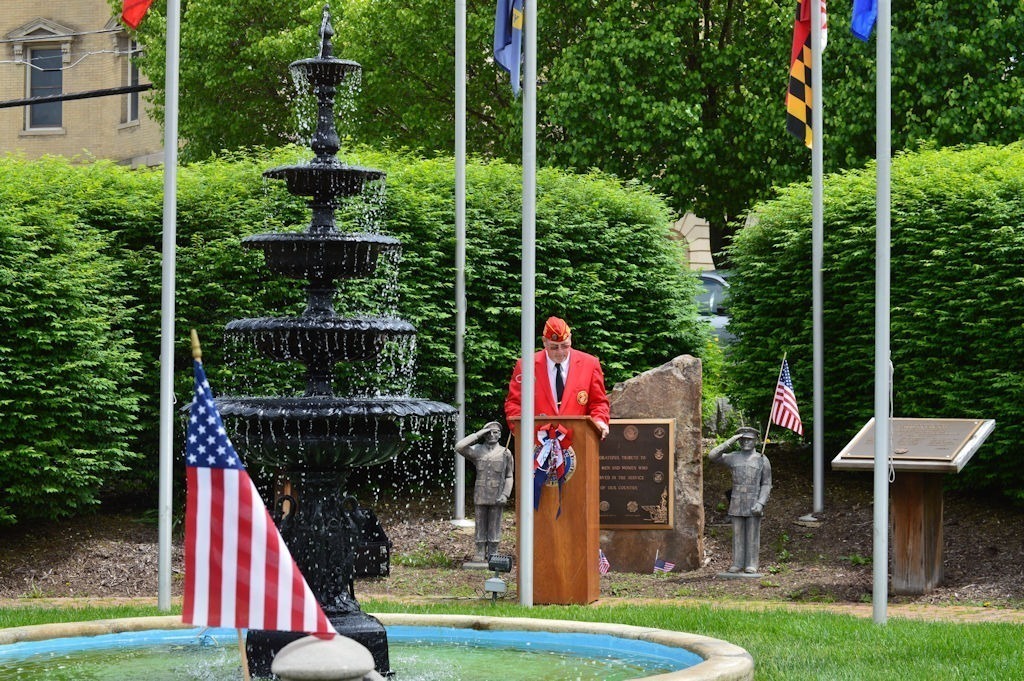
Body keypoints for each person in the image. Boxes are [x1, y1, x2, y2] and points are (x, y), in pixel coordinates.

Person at [503, 316, 610, 439]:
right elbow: (514, 403)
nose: (560, 352)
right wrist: (520, 430)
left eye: (565, 346)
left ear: (570, 339)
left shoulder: (590, 364)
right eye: (554, 347)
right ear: (544, 342)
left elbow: (599, 403)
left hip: (578, 441)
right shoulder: (526, 365)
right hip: (537, 444)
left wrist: (599, 422)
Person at [708, 426, 772, 574]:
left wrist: (761, 503)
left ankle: (751, 563)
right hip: (736, 501)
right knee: (737, 535)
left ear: (756, 440)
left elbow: (767, 484)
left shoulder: (762, 459)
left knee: (752, 535)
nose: (745, 442)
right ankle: (737, 563)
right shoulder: (733, 457)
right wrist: (731, 440)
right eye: (742, 439)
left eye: (749, 439)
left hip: (753, 501)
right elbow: (712, 455)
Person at [454, 421, 515, 562]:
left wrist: (505, 494)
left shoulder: (505, 453)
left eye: (495, 432)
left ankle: (493, 551)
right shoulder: (477, 450)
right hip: (481, 493)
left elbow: (509, 476)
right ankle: (480, 550)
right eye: (489, 432)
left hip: (497, 495)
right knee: (480, 522)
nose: (492, 435)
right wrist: (478, 434)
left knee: (494, 523)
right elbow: (459, 446)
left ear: (500, 435)